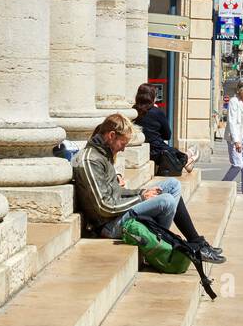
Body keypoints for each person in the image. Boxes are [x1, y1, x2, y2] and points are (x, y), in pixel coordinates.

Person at [72, 113, 224, 263]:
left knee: (173, 184)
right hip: (108, 225)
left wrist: (141, 192)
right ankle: (160, 244)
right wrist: (141, 198)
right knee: (167, 200)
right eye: (123, 144)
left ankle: (195, 241)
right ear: (111, 135)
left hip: (118, 214)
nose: (123, 149)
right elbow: (104, 206)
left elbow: (117, 193)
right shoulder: (91, 160)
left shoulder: (104, 154)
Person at [132, 83, 196, 175]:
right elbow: (167, 135)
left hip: (143, 149)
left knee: (176, 153)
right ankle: (189, 157)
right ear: (152, 97)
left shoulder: (133, 111)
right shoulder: (157, 112)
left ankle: (188, 159)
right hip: (157, 151)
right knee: (179, 154)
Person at [221, 76, 243, 193]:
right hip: (235, 136)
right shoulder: (234, 102)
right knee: (237, 164)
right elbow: (232, 122)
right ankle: (223, 185)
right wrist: (237, 141)